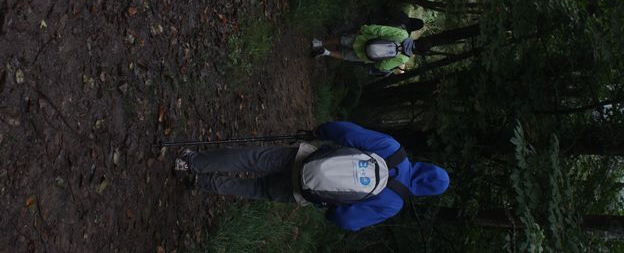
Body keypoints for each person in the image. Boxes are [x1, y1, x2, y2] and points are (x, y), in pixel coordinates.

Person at [174, 121, 449, 231]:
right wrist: (328, 207)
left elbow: (347, 132)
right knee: (255, 188)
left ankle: (190, 162)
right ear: (424, 193)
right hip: (306, 191)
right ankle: (203, 183)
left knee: (251, 159)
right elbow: (347, 221)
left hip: (305, 158)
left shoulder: (393, 150)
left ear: (425, 166)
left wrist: (321, 131)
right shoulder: (394, 203)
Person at [311, 23, 431, 73]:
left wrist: (365, 28)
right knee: (345, 55)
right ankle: (326, 52)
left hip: (366, 39)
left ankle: (319, 43)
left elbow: (381, 30)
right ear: (418, 52)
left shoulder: (403, 35)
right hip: (368, 56)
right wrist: (376, 64)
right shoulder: (404, 58)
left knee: (342, 40)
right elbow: (383, 66)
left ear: (418, 39)